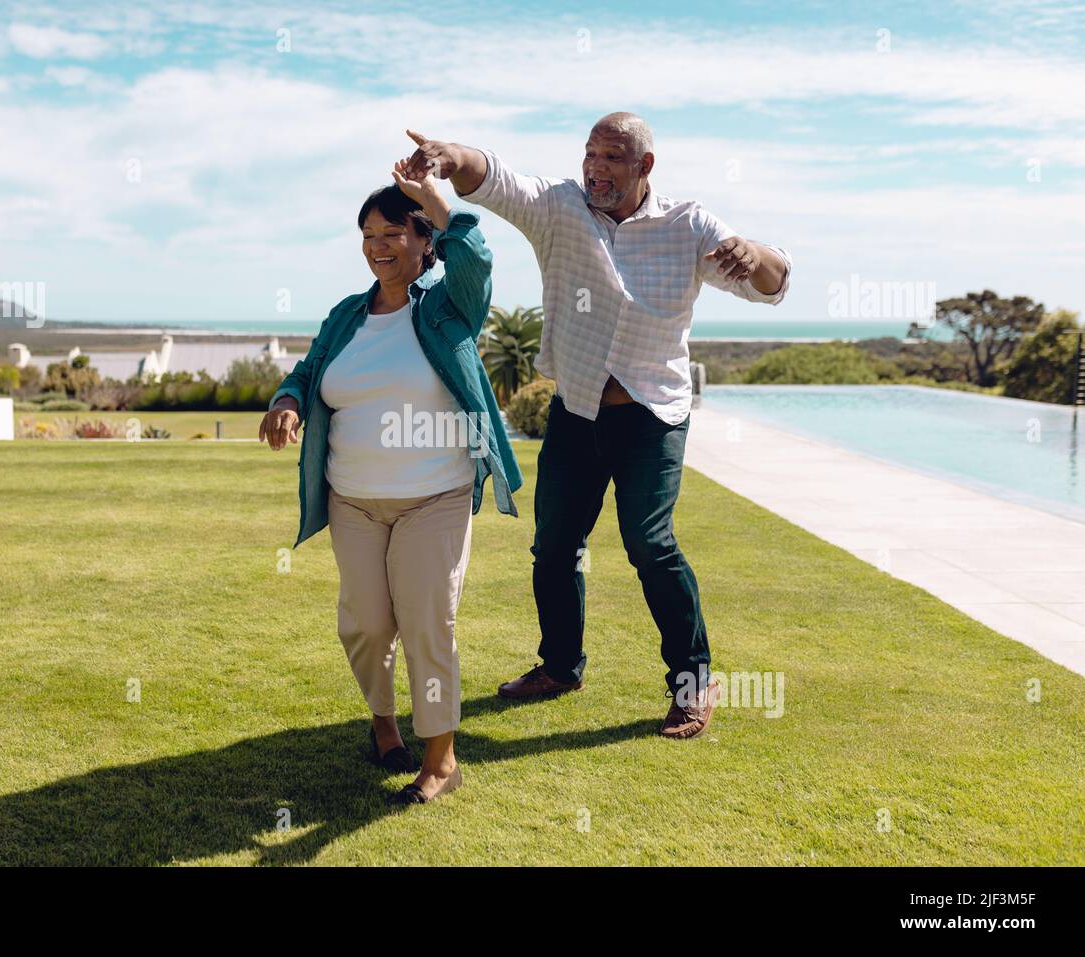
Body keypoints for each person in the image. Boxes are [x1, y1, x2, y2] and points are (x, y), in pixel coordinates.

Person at [402, 112, 792, 739]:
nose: (596, 169)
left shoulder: (689, 225)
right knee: (554, 545)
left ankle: (694, 682)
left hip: (652, 415)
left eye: (612, 158)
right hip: (578, 408)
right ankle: (560, 667)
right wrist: (449, 157)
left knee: (648, 542)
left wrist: (760, 252)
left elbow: (769, 286)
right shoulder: (559, 208)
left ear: (645, 167)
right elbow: (497, 180)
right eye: (590, 154)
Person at [260, 162, 521, 802]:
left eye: (392, 234)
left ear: (425, 239)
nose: (378, 247)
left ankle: (440, 760)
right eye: (368, 236)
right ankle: (383, 724)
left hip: (435, 496)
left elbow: (476, 261)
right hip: (354, 499)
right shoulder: (347, 315)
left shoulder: (449, 308)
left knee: (429, 622)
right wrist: (288, 399)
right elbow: (309, 368)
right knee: (368, 624)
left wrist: (439, 199)